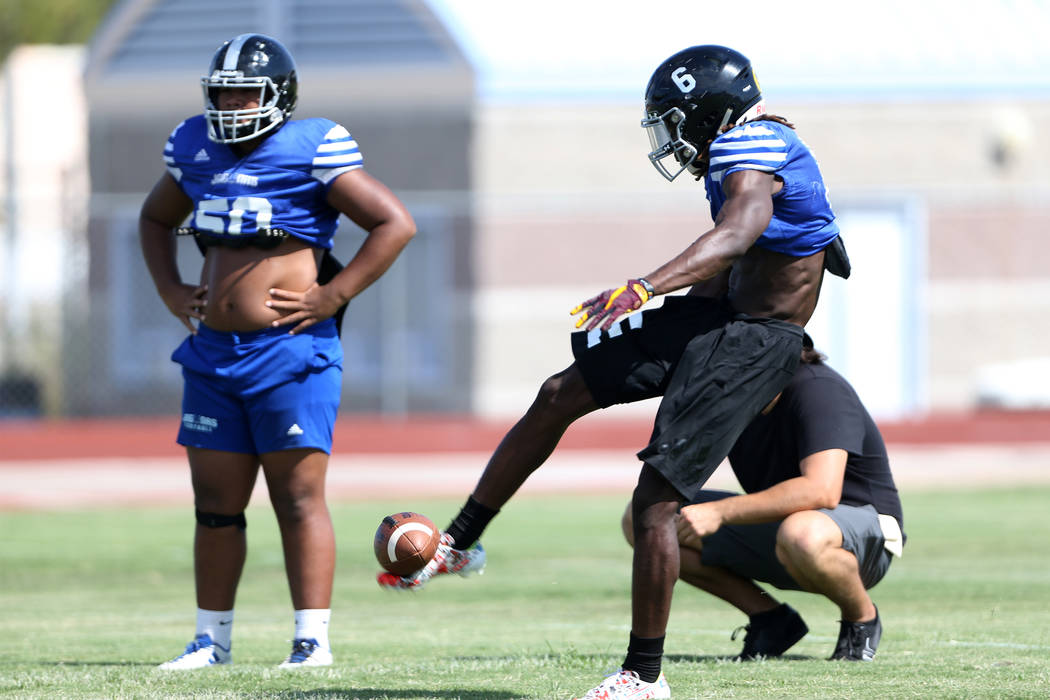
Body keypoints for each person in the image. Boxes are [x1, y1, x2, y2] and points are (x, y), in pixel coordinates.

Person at [378, 44, 850, 699]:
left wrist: (644, 287)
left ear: (712, 113)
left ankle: (643, 677)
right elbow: (740, 260)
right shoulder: (738, 151)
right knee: (558, 393)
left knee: (655, 500)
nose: (669, 135)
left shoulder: (756, 149)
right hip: (718, 316)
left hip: (754, 339)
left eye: (676, 119)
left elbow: (738, 235)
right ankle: (459, 542)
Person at [140, 33, 416, 670]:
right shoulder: (193, 146)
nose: (231, 104)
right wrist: (168, 286)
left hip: (291, 350)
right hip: (212, 353)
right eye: (222, 92)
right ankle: (211, 640)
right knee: (214, 504)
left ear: (279, 97)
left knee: (297, 498)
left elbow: (394, 222)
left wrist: (332, 294)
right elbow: (154, 219)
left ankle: (311, 640)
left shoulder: (311, 145)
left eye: (245, 92)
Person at [620, 341, 904, 663]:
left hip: (865, 535)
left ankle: (861, 618)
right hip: (786, 530)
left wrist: (720, 511)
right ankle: (771, 620)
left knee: (802, 533)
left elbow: (821, 491)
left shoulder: (819, 388)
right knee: (647, 519)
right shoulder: (731, 398)